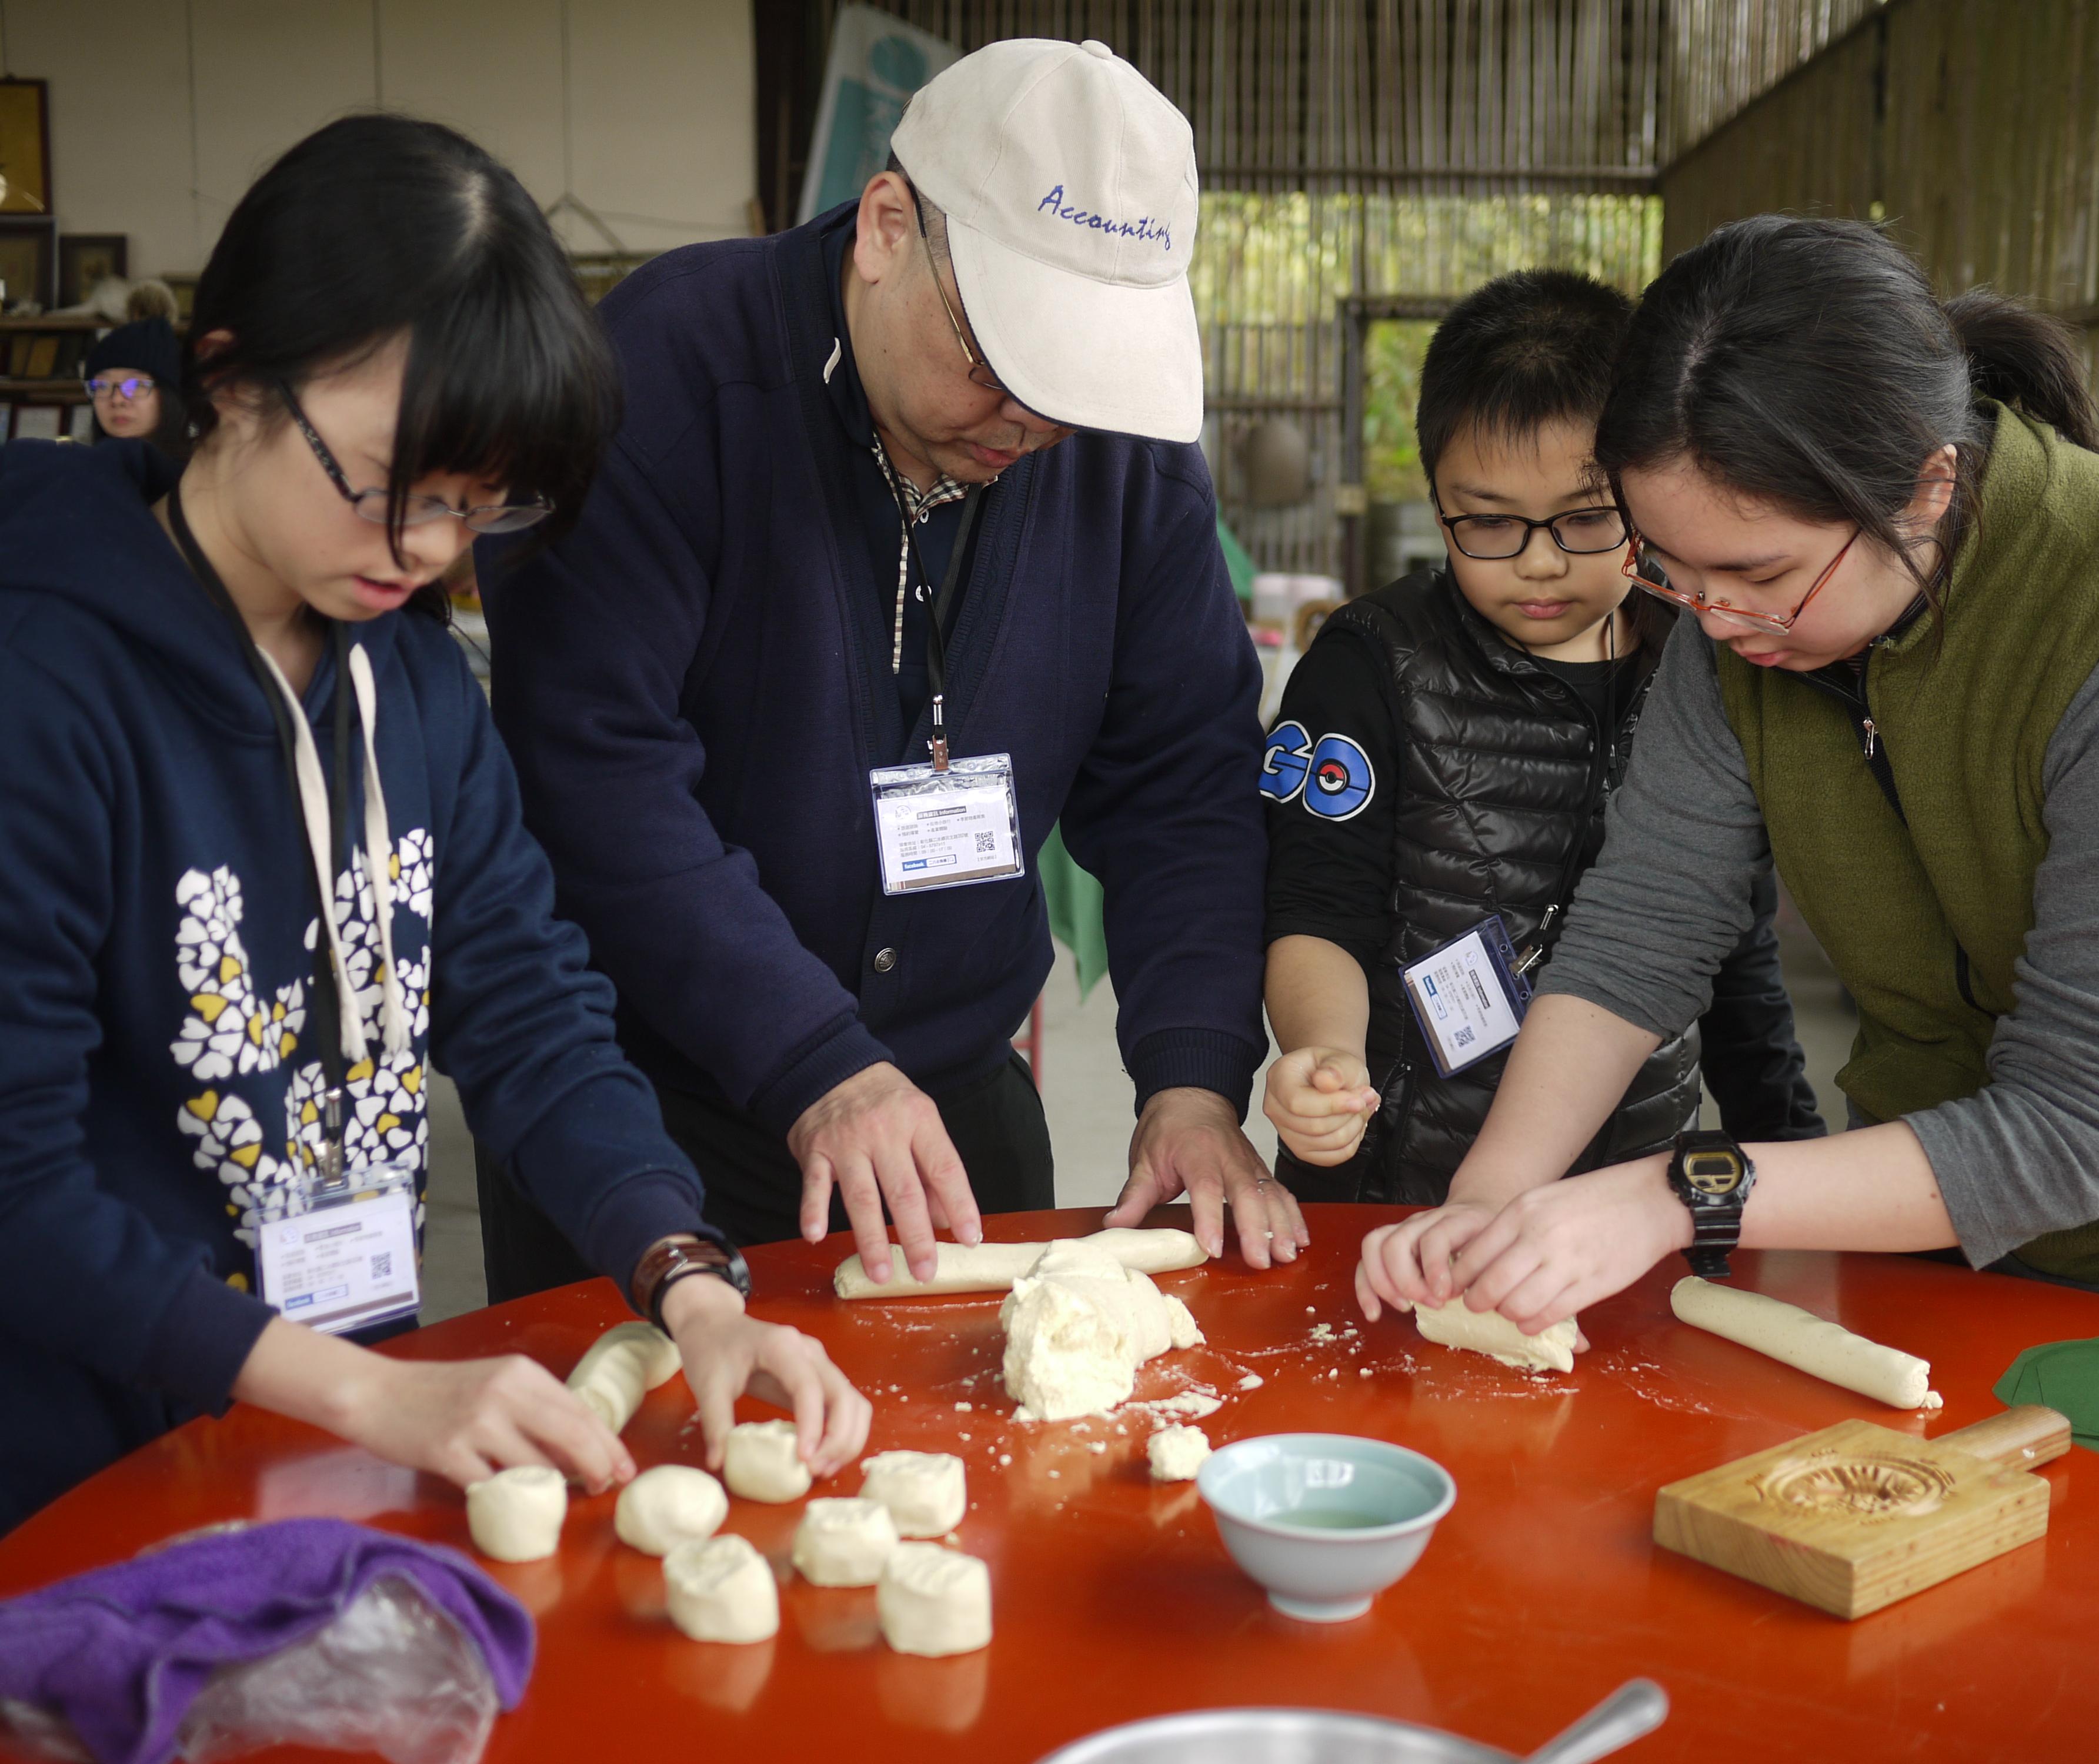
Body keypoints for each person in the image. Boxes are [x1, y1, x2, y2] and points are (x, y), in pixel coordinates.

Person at [0, 115, 869, 1536]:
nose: (425, 550)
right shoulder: (43, 680)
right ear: (228, 377)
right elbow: (15, 1187)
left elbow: (526, 1010)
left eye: (480, 506)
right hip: (76, 1466)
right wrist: (372, 1395)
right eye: (386, 483)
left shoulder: (404, 676)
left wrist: (690, 1279)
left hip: (325, 1419)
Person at [1356, 215, 2099, 1354]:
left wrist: (1671, 1193)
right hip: (1939, 1235)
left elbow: (2083, 1120)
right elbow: (1641, 931)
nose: (1713, 621)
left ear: (1927, 487)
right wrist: (1492, 1194)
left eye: (1758, 572)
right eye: (1665, 568)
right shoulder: (1732, 624)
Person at [476, 38, 1300, 1301]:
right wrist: (807, 1054)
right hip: (651, 1110)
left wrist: (1191, 1077)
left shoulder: (1121, 466)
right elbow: (594, 776)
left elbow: (1183, 783)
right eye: (1001, 365)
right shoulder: (662, 374)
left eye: (1077, 389)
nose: (1033, 426)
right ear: (885, 227)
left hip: (952, 1113)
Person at [1260, 270, 1820, 1204]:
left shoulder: (1709, 658)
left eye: (1589, 517)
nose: (1540, 560)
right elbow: (1317, 907)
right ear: (1434, 492)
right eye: (1487, 522)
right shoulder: (1371, 665)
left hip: (1629, 1204)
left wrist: (1788, 1143)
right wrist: (1323, 1056)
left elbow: (1738, 951)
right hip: (1397, 1185)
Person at [82, 317, 191, 459]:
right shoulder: (78, 468)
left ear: (169, 394)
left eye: (136, 385)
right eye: (102, 386)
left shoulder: (204, 471)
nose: (117, 400)